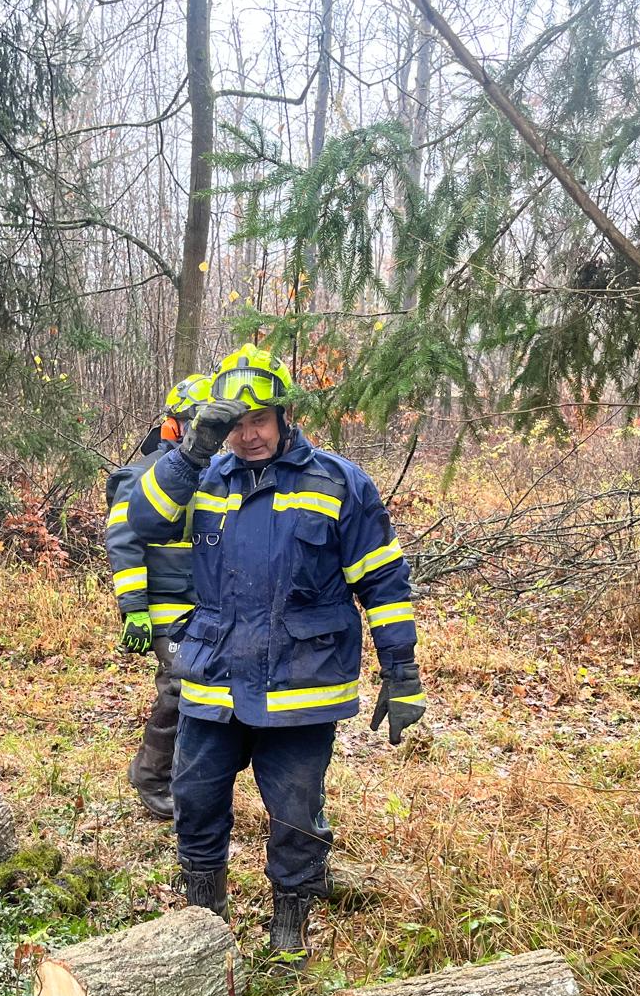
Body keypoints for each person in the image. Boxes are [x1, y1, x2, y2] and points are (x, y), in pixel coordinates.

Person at [126, 344, 425, 963]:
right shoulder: (203, 477)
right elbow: (144, 522)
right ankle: (205, 927)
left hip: (301, 683)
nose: (248, 436)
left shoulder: (338, 483)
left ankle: (290, 928)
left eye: (259, 420)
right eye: (235, 424)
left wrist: (401, 670)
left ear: (285, 416)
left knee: (294, 813)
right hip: (214, 677)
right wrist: (190, 452)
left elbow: (383, 582)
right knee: (195, 802)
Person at [103, 374, 212, 819]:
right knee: (179, 684)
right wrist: (134, 609)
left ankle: (191, 776)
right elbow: (123, 541)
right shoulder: (142, 476)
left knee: (209, 691)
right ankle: (151, 774)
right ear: (174, 424)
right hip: (165, 602)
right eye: (194, 420)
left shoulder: (221, 475)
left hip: (208, 602)